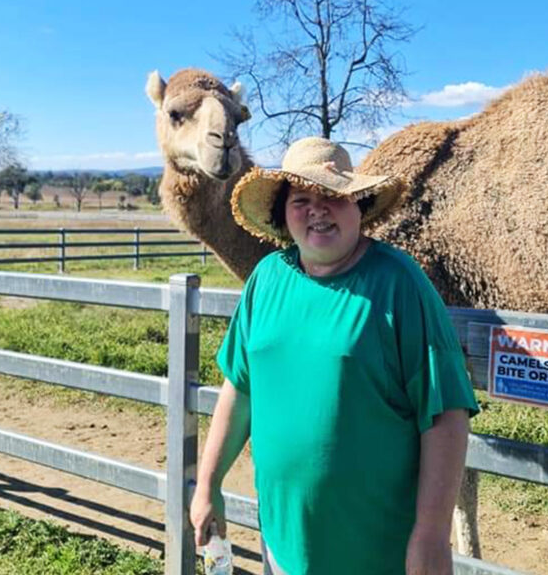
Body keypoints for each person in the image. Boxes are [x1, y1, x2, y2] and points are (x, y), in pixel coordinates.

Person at [190, 137, 479, 575]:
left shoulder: (398, 283)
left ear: (358, 206)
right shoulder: (266, 280)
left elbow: (445, 413)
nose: (317, 210)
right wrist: (208, 484)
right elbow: (240, 390)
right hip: (283, 547)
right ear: (282, 214)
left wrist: (431, 533)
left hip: (377, 554)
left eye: (333, 197)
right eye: (302, 199)